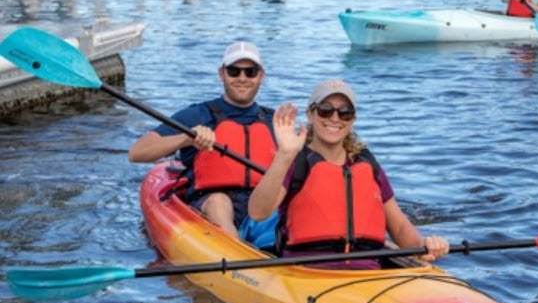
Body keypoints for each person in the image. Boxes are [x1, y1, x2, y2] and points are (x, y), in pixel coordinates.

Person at [247, 79, 450, 269]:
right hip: (307, 273)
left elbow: (398, 227)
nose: (335, 118)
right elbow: (258, 212)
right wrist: (284, 155)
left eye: (344, 112)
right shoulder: (295, 162)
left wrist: (425, 246)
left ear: (353, 119)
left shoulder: (367, 164)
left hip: (366, 275)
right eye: (325, 111)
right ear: (310, 114)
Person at [128, 41, 276, 238]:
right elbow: (137, 153)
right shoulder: (196, 115)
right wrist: (185, 139)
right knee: (219, 202)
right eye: (234, 71)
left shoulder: (274, 121)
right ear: (222, 74)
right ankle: (235, 254)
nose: (242, 78)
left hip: (263, 203)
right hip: (211, 204)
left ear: (260, 76)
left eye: (250, 72)